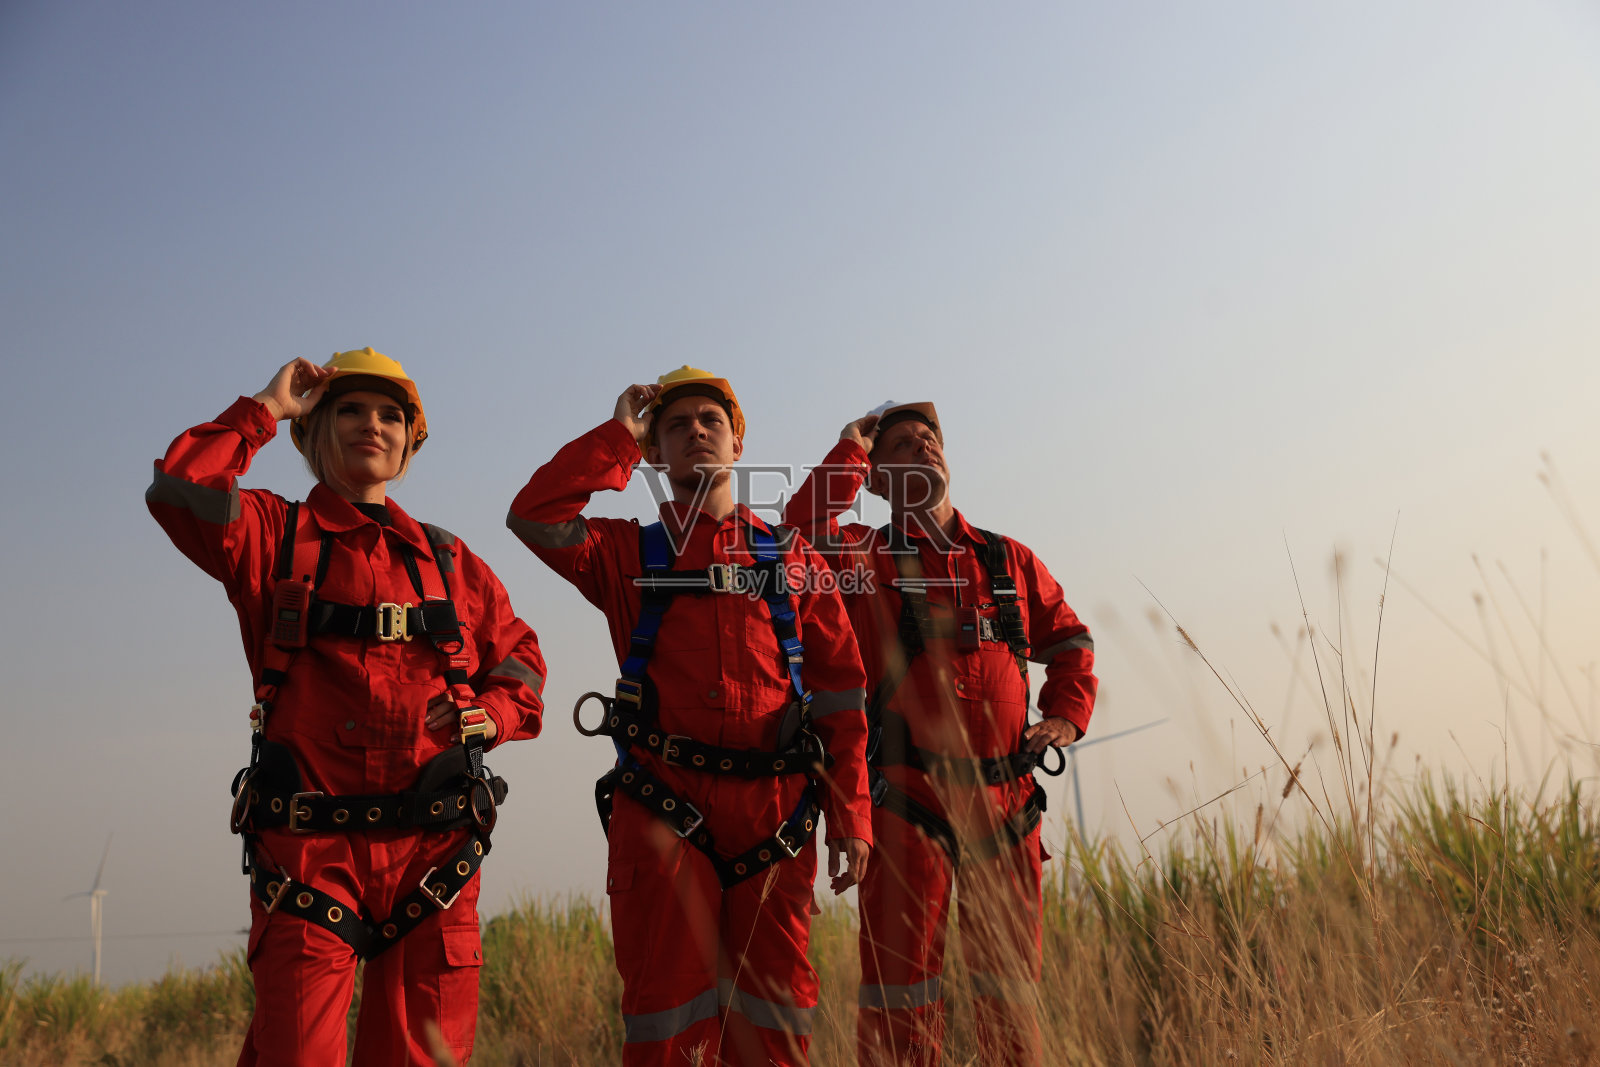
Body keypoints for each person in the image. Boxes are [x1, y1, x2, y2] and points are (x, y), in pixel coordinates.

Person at [146, 349, 547, 1066]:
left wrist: (496, 712)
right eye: (350, 410)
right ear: (312, 431)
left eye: (391, 415)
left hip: (436, 855)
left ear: (410, 442)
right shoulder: (271, 534)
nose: (373, 425)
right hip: (310, 854)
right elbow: (180, 488)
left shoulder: (450, 561)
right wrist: (266, 409)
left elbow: (520, 656)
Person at [507, 367, 872, 1066]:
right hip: (662, 806)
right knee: (667, 1022)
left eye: (711, 420)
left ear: (738, 442)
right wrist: (619, 434)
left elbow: (842, 696)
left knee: (775, 1020)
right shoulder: (624, 552)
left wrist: (851, 812)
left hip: (777, 814)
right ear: (654, 451)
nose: (696, 431)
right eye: (676, 425)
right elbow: (535, 514)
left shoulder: (794, 558)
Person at [783, 401, 1097, 1066]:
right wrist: (849, 449)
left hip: (1008, 808)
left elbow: (1071, 641)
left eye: (929, 438)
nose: (922, 446)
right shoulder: (861, 556)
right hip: (906, 804)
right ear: (875, 478)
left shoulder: (1008, 559)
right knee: (901, 1000)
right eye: (901, 444)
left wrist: (1066, 714)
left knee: (1010, 996)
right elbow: (798, 531)